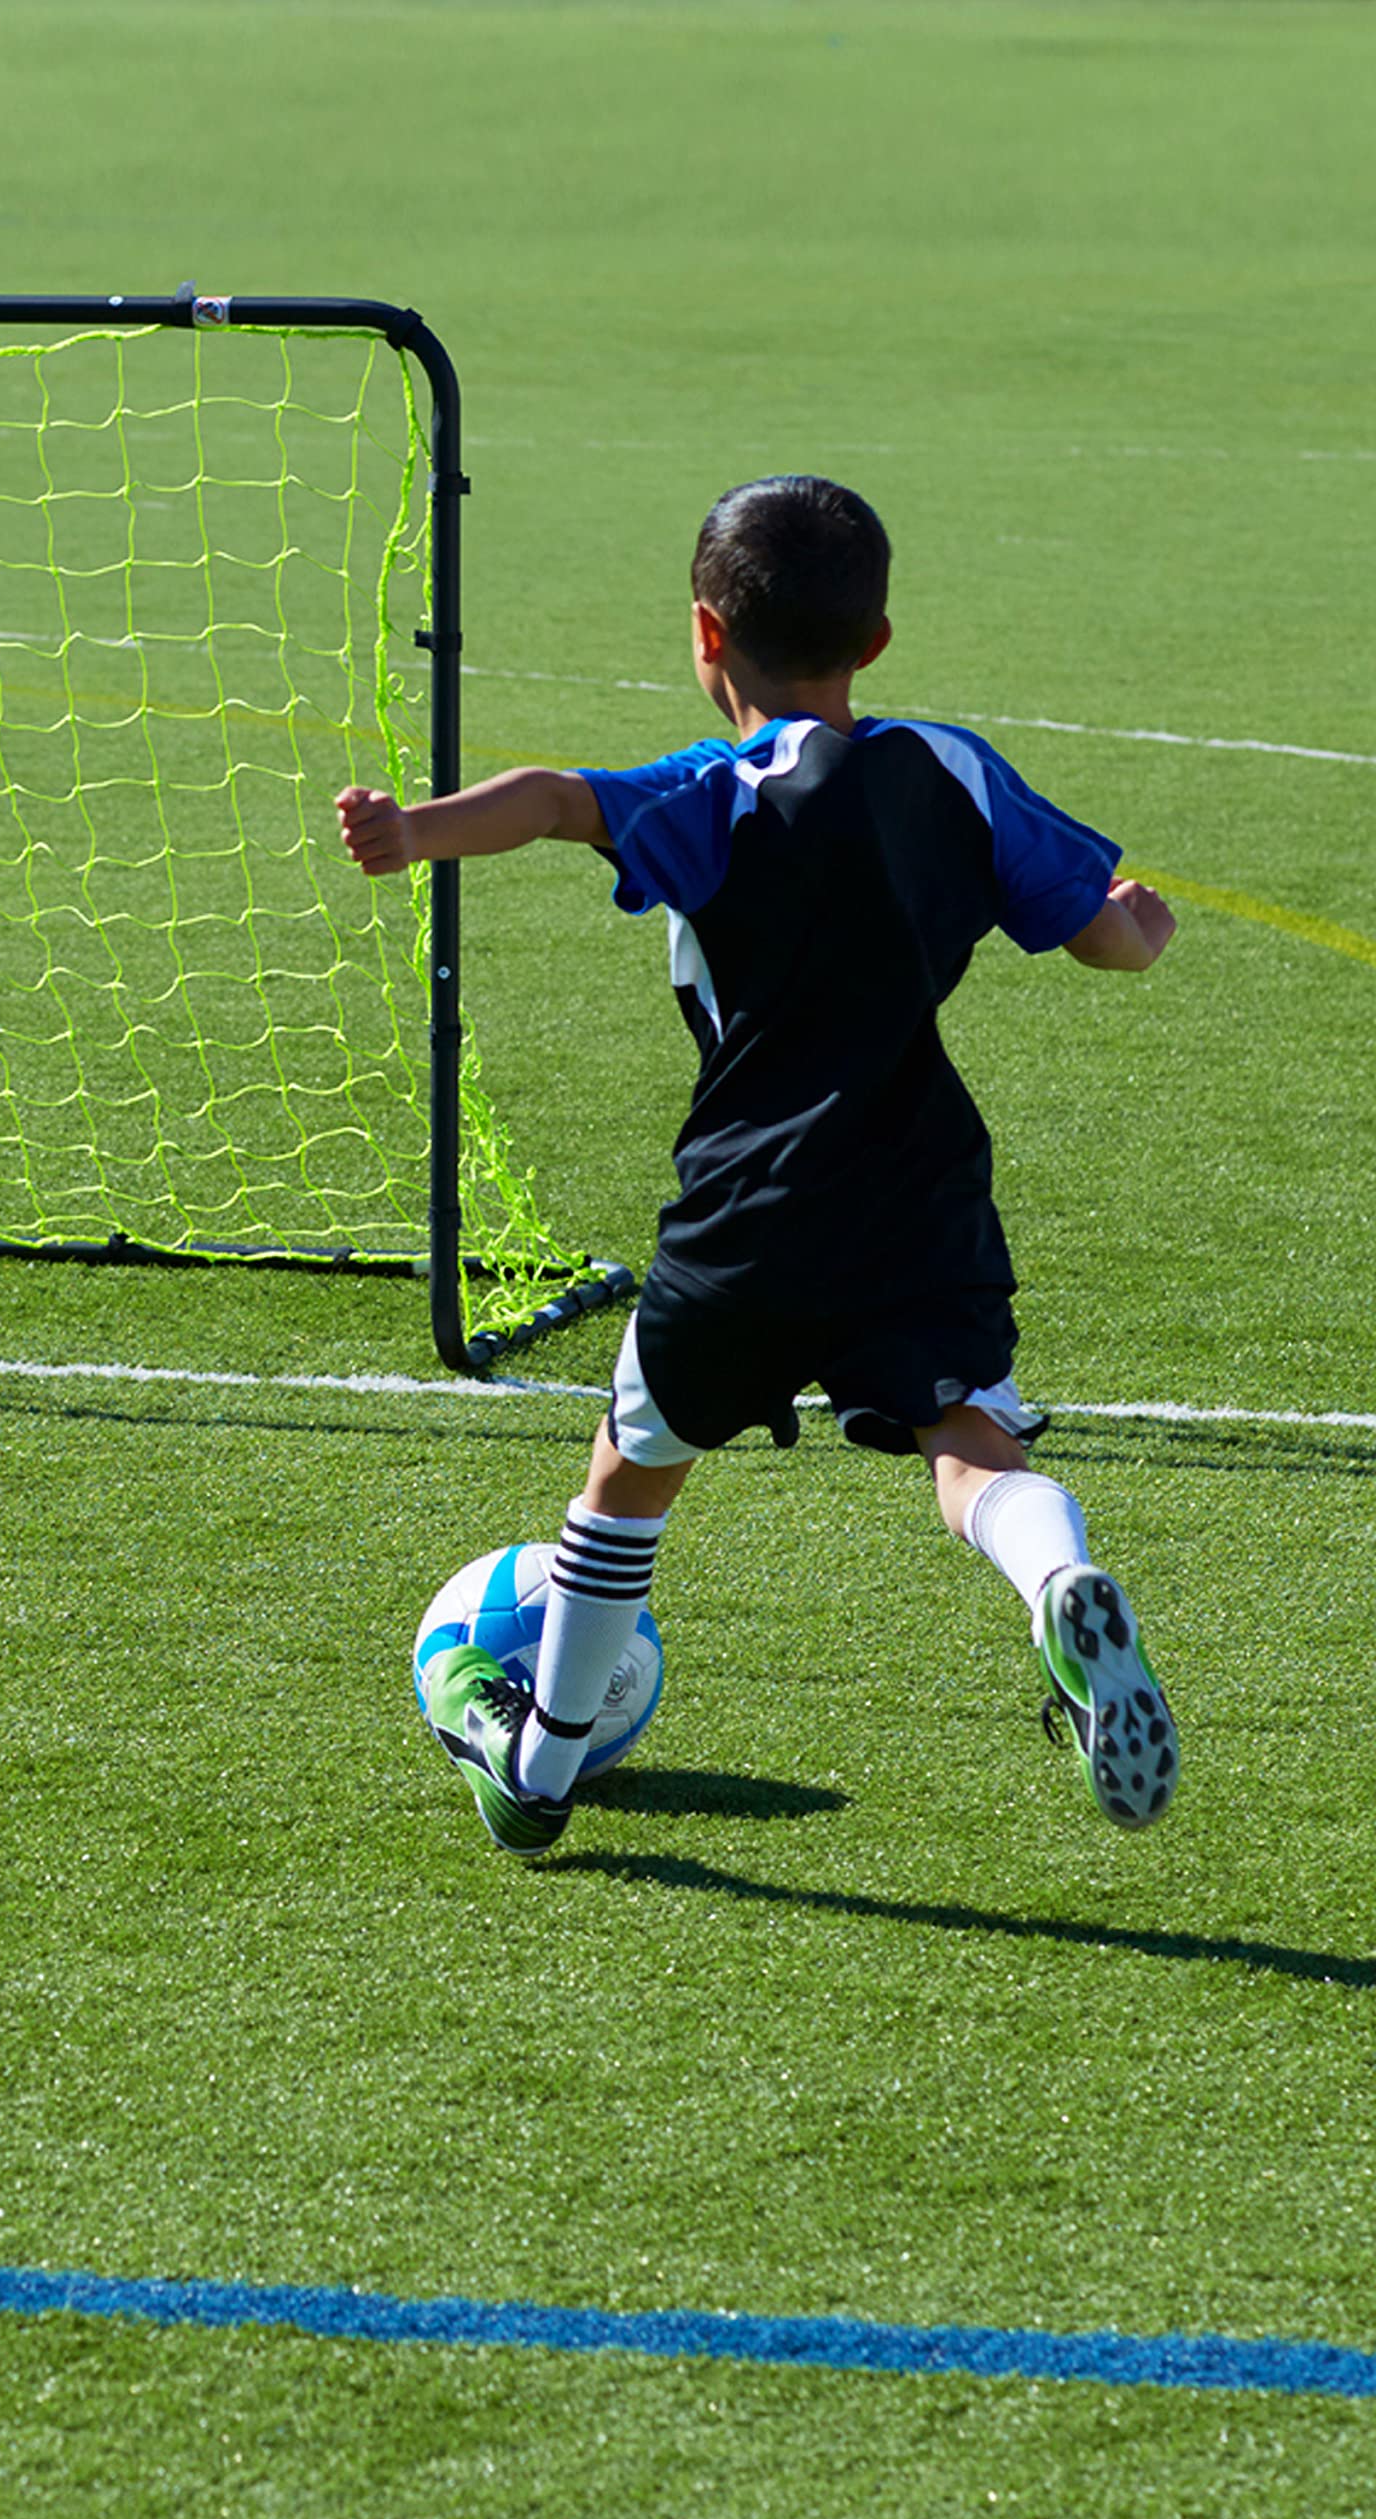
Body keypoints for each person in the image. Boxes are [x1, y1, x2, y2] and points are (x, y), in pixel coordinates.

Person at [336, 474, 1178, 1858]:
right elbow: (1100, 932)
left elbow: (554, 802)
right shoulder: (955, 774)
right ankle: (1055, 1584)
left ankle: (538, 1770)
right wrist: (1138, 930)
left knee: (629, 1469)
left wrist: (416, 832)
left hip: (748, 1204)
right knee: (966, 1444)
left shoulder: (719, 792)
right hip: (919, 1189)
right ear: (880, 640)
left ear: (704, 636)